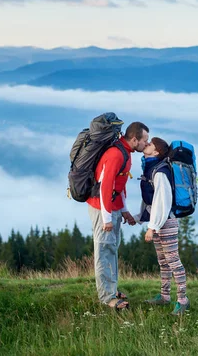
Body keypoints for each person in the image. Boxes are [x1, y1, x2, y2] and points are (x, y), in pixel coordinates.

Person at [87, 121, 149, 310]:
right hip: (101, 208)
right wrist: (106, 218)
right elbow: (105, 186)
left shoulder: (126, 154)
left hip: (112, 207)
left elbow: (118, 186)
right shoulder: (115, 154)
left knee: (112, 248)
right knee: (104, 251)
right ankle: (107, 298)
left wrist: (124, 211)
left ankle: (112, 289)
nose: (146, 144)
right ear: (134, 138)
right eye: (144, 140)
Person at [134, 137, 190, 316]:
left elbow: (162, 201)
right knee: (163, 262)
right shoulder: (151, 169)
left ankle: (183, 300)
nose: (146, 145)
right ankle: (165, 296)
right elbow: (150, 199)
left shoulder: (160, 172)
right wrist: (138, 217)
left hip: (166, 222)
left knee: (173, 261)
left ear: (156, 152)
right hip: (159, 223)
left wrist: (153, 226)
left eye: (150, 144)